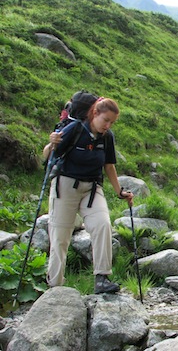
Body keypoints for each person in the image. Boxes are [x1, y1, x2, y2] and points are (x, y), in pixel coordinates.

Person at [43, 97, 134, 294]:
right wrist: (51, 144)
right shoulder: (74, 130)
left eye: (112, 122)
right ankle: (54, 286)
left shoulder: (107, 137)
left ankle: (102, 278)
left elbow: (109, 166)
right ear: (95, 114)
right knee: (60, 237)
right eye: (106, 120)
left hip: (92, 188)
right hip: (65, 186)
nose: (108, 125)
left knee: (103, 225)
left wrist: (120, 192)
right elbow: (47, 155)